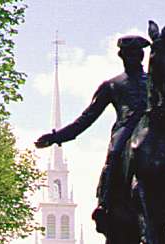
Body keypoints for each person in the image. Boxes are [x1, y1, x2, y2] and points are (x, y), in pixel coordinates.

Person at [35, 35, 150, 233]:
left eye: (137, 53)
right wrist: (56, 137)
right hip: (126, 129)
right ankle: (105, 204)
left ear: (141, 55)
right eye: (128, 54)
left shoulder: (155, 81)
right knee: (115, 154)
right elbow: (87, 118)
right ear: (122, 56)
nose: (133, 57)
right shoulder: (112, 85)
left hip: (153, 128)